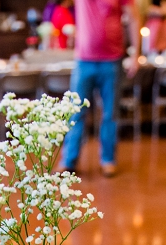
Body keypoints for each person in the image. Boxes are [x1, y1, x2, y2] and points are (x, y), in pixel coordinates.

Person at [59, 0, 142, 177]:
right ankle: (68, 161)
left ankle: (108, 159)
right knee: (76, 113)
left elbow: (134, 18)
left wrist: (136, 54)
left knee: (110, 114)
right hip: (83, 61)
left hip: (112, 61)